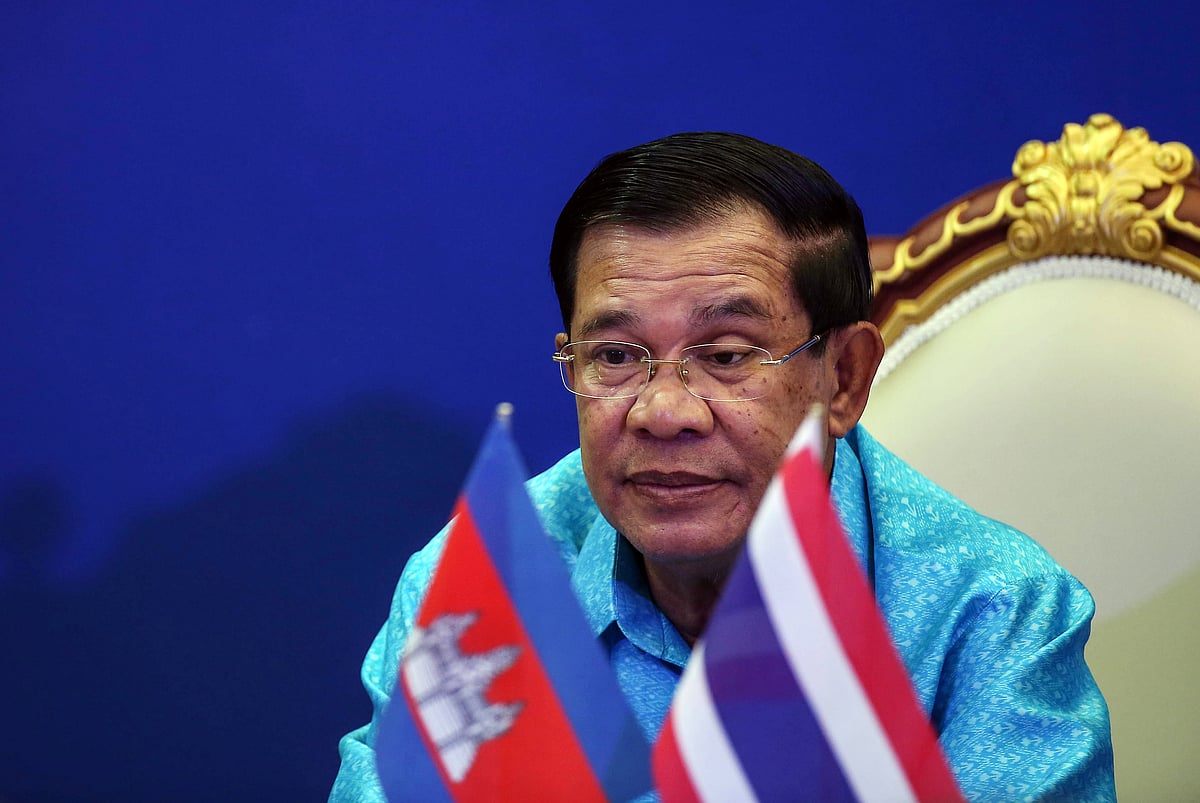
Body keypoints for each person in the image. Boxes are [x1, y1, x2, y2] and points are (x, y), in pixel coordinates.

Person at [330, 132, 1115, 800]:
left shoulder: (992, 611)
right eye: (614, 355)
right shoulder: (481, 584)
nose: (662, 411)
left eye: (728, 355)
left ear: (842, 378)